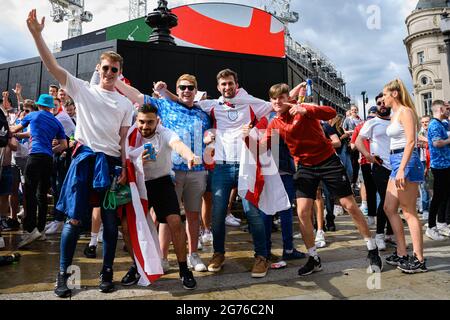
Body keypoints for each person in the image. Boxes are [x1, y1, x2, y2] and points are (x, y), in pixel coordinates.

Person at [26, 9, 134, 297]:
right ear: (98, 69)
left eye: (114, 69)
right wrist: (37, 34)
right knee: (74, 220)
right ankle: (62, 275)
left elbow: (124, 139)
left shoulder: (125, 105)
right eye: (106, 68)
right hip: (84, 160)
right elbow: (52, 67)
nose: (109, 73)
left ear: (119, 73)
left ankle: (106, 272)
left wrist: (124, 166)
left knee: (110, 222)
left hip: (110, 165)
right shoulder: (83, 90)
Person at [257, 83, 383, 276]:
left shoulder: (303, 109)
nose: (276, 102)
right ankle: (313, 258)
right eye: (273, 99)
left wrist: (307, 108)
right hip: (305, 167)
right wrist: (245, 139)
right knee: (302, 212)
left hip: (328, 161)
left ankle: (372, 249)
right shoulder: (275, 123)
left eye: (280, 98)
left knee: (349, 204)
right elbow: (264, 146)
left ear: (287, 98)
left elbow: (330, 112)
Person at [114, 74, 211, 273]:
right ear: (177, 89)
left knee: (193, 214)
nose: (186, 90)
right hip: (172, 172)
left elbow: (212, 134)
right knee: (168, 216)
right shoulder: (165, 107)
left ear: (195, 90)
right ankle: (163, 257)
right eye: (182, 87)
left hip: (197, 171)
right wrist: (112, 79)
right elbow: (138, 96)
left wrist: (206, 143)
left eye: (190, 87)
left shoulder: (204, 114)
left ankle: (193, 254)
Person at [122, 103, 200, 289]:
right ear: (136, 120)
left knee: (175, 222)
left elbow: (177, 144)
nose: (145, 126)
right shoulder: (130, 136)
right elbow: (123, 158)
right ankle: (137, 265)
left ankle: (183, 269)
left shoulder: (165, 133)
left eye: (150, 122)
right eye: (141, 121)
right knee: (127, 226)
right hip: (137, 184)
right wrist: (136, 162)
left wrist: (190, 155)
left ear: (158, 121)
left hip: (161, 182)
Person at [10, 94, 67, 248]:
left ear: (39, 105)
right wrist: (51, 149)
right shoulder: (56, 121)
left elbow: (15, 128)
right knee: (41, 194)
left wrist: (9, 129)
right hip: (48, 159)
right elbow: (64, 145)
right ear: (50, 107)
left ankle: (30, 230)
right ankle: (41, 231)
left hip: (34, 156)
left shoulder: (33, 115)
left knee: (29, 192)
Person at [382, 79, 427, 273]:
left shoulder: (406, 112)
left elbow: (410, 142)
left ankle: (419, 259)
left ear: (394, 94)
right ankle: (402, 252)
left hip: (405, 161)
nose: (382, 98)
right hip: (396, 161)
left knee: (408, 212)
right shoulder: (394, 114)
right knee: (389, 207)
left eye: (385, 94)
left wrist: (401, 169)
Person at [356, 97, 395, 251]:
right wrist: (367, 155)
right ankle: (379, 235)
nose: (382, 105)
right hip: (380, 166)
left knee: (394, 202)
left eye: (384, 102)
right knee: (385, 200)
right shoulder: (371, 122)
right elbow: (359, 141)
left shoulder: (395, 120)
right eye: (379, 103)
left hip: (396, 166)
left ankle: (390, 234)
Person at [425, 100, 450, 240]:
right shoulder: (434, 124)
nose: (448, 111)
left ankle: (441, 223)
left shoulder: (441, 123)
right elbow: (437, 143)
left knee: (445, 195)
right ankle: (431, 227)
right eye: (446, 109)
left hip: (446, 165)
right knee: (437, 197)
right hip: (439, 166)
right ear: (440, 109)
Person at [418, 115, 431, 220]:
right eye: (423, 122)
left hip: (433, 160)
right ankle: (425, 209)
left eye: (426, 122)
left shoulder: (433, 131)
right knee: (424, 186)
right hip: (422, 160)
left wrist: (426, 141)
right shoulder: (420, 132)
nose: (425, 124)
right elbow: (419, 142)